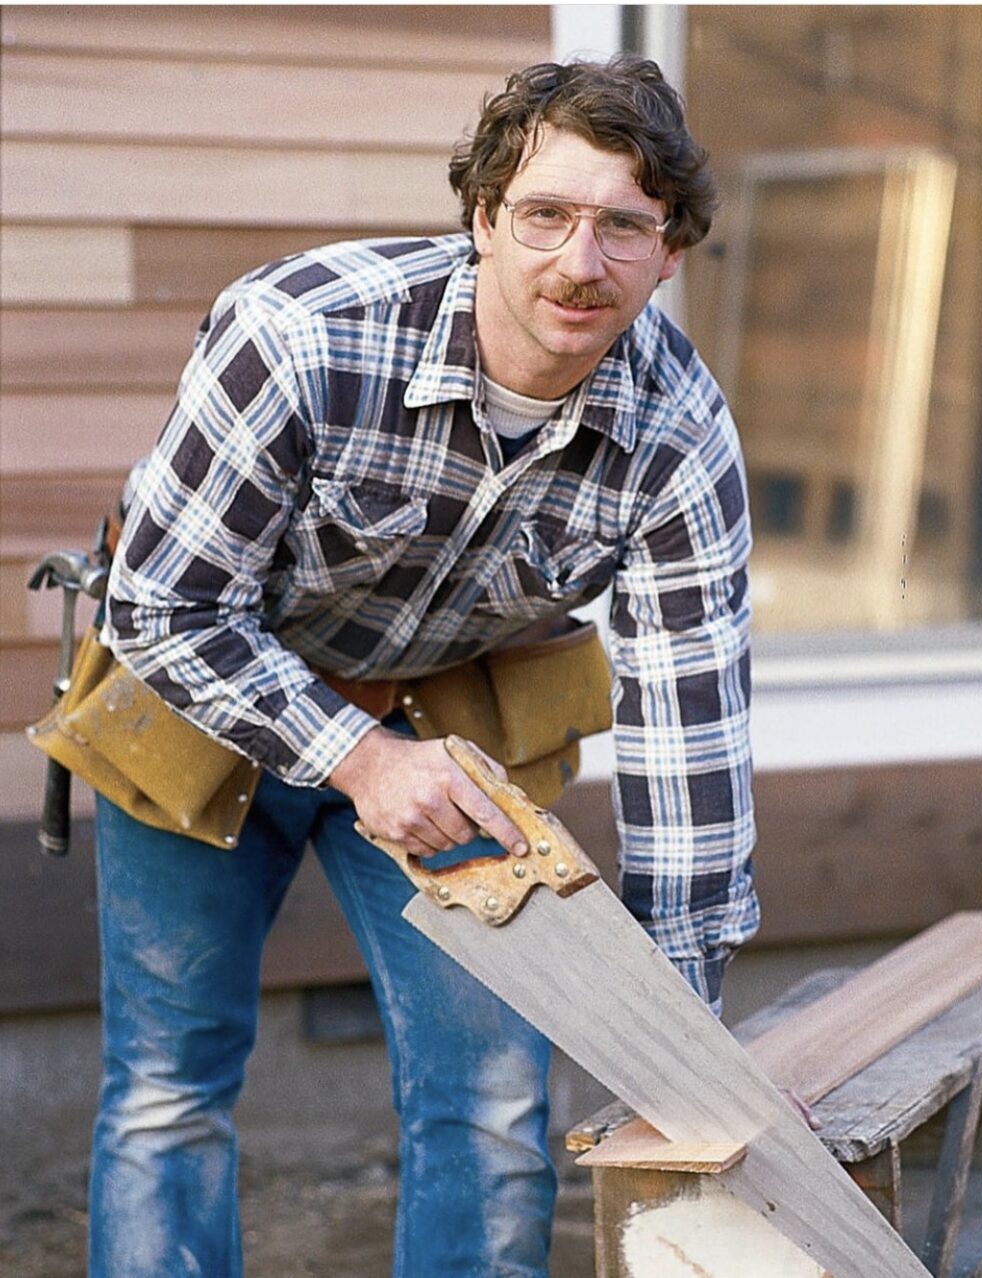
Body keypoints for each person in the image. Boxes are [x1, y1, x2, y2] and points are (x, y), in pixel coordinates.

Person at [93, 54, 758, 1277]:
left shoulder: (678, 432)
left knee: (495, 1105)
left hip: (440, 716)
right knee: (168, 1090)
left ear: (671, 254)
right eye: (546, 215)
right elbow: (164, 607)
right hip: (198, 688)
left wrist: (686, 1046)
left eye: (624, 227)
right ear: (481, 218)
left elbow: (688, 721)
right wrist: (353, 757)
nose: (580, 262)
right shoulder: (301, 332)